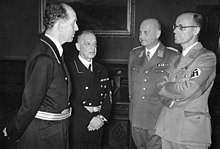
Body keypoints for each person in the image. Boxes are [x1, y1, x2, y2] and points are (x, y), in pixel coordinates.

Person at [3, 3, 79, 149]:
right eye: (73, 23)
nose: (77, 28)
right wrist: (13, 132)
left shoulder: (53, 51)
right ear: (60, 25)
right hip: (43, 136)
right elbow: (30, 105)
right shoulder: (45, 57)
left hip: (54, 131)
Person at [155, 12, 216, 149]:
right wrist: (171, 95)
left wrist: (168, 89)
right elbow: (160, 87)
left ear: (195, 30)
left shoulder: (206, 57)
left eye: (181, 27)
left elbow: (189, 89)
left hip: (190, 132)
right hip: (167, 127)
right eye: (175, 26)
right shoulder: (175, 58)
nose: (175, 30)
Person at [128, 18, 178, 149]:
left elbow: (174, 91)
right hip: (137, 117)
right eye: (140, 32)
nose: (140, 36)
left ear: (157, 34)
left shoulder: (171, 56)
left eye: (145, 32)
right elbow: (131, 88)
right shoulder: (134, 54)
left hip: (158, 117)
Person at [67, 30, 112, 149]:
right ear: (77, 46)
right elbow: (70, 100)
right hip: (78, 123)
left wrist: (101, 118)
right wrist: (89, 119)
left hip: (98, 123)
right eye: (88, 44)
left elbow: (108, 97)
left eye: (95, 44)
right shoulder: (69, 69)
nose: (93, 48)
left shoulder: (101, 70)